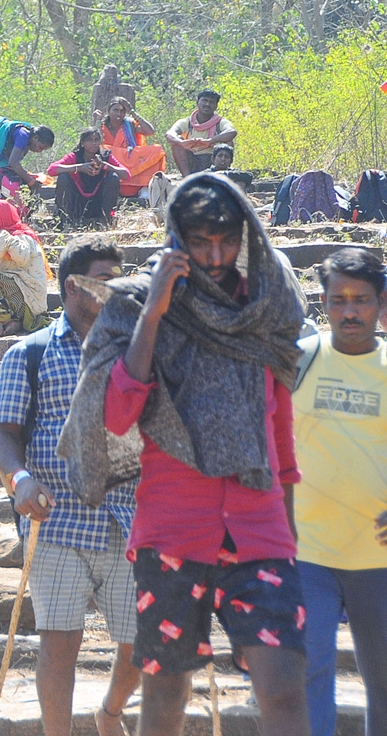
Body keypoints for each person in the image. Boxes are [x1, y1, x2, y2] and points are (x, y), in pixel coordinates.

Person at [60, 173, 309, 736]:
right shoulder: (133, 307)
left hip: (260, 531)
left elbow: (282, 436)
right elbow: (117, 413)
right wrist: (154, 313)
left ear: (245, 236)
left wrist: (289, 537)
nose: (215, 255)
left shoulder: (265, 310)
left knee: (284, 689)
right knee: (166, 693)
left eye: (225, 240)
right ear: (177, 239)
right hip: (172, 532)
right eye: (201, 242)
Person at [0, 235, 140, 736]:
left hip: (130, 519)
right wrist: (20, 479)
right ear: (74, 286)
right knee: (60, 645)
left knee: (141, 644)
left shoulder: (138, 352)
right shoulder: (27, 355)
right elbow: (5, 435)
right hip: (54, 520)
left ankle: (110, 713)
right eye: (106, 277)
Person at [292, 247, 387, 736]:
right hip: (309, 553)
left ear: (382, 304)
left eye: (362, 300)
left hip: (378, 559)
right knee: (310, 672)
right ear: (323, 303)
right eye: (338, 300)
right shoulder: (301, 361)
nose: (350, 311)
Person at [0, 200, 53, 336]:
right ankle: (10, 320)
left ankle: (5, 318)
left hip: (28, 300)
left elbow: (21, 257)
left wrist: (5, 236)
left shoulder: (22, 237)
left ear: (3, 219)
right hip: (14, 297)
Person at [47, 128, 130, 227]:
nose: (94, 143)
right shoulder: (74, 157)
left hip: (98, 204)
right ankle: (66, 221)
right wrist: (79, 168)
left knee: (113, 177)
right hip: (77, 203)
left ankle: (106, 221)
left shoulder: (106, 156)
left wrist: (106, 166)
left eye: (96, 140)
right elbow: (51, 170)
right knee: (63, 177)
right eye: (90, 140)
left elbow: (126, 175)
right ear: (82, 143)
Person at [96, 96, 165, 200]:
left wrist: (132, 112)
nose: (119, 114)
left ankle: (145, 188)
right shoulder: (102, 126)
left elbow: (150, 131)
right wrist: (97, 120)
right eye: (115, 110)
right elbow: (98, 143)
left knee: (157, 151)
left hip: (132, 161)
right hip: (112, 166)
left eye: (122, 111)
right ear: (108, 111)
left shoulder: (130, 124)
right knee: (103, 150)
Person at [166, 88, 236, 176]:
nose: (207, 104)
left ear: (216, 105)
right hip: (192, 160)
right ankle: (187, 179)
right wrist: (182, 142)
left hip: (213, 161)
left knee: (228, 142)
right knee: (177, 144)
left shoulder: (221, 122)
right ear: (197, 102)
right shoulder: (187, 122)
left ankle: (223, 175)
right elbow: (169, 134)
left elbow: (232, 131)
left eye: (211, 102)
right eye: (204, 100)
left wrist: (210, 141)